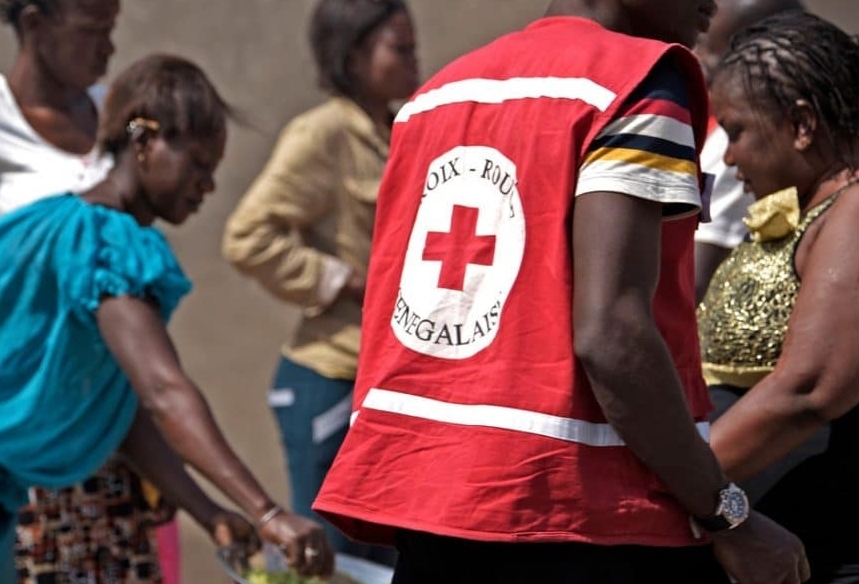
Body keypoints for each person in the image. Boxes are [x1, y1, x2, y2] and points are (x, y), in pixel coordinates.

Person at [312, 0, 810, 582]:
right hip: (578, 513)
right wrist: (727, 513)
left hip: (429, 503)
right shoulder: (640, 80)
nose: (715, 3)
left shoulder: (439, 94)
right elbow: (611, 334)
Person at [0, 53, 335, 583]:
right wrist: (267, 511)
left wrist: (209, 511)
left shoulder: (69, 228)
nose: (207, 185)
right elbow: (164, 391)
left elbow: (123, 411)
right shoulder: (106, 244)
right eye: (198, 163)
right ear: (144, 142)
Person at [221, 0, 419, 566]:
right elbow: (248, 235)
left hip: (384, 379)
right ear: (353, 57)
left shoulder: (403, 127)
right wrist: (344, 281)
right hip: (331, 378)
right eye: (398, 49)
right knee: (332, 556)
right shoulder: (324, 132)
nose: (415, 60)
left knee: (387, 556)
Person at [0, 1, 184, 581]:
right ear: (34, 22)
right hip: (24, 445)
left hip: (113, 435)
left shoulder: (118, 121)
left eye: (112, 31)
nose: (107, 49)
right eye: (92, 31)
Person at [700, 9, 859, 583]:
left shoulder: (853, 210)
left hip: (824, 555)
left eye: (736, 130)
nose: (729, 154)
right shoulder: (797, 214)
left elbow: (809, 390)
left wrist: (676, 483)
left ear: (801, 124)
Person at [692, 0, 805, 302]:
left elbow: (693, 282)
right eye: (700, 44)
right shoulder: (718, 129)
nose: (697, 58)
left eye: (713, 55)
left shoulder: (743, 145)